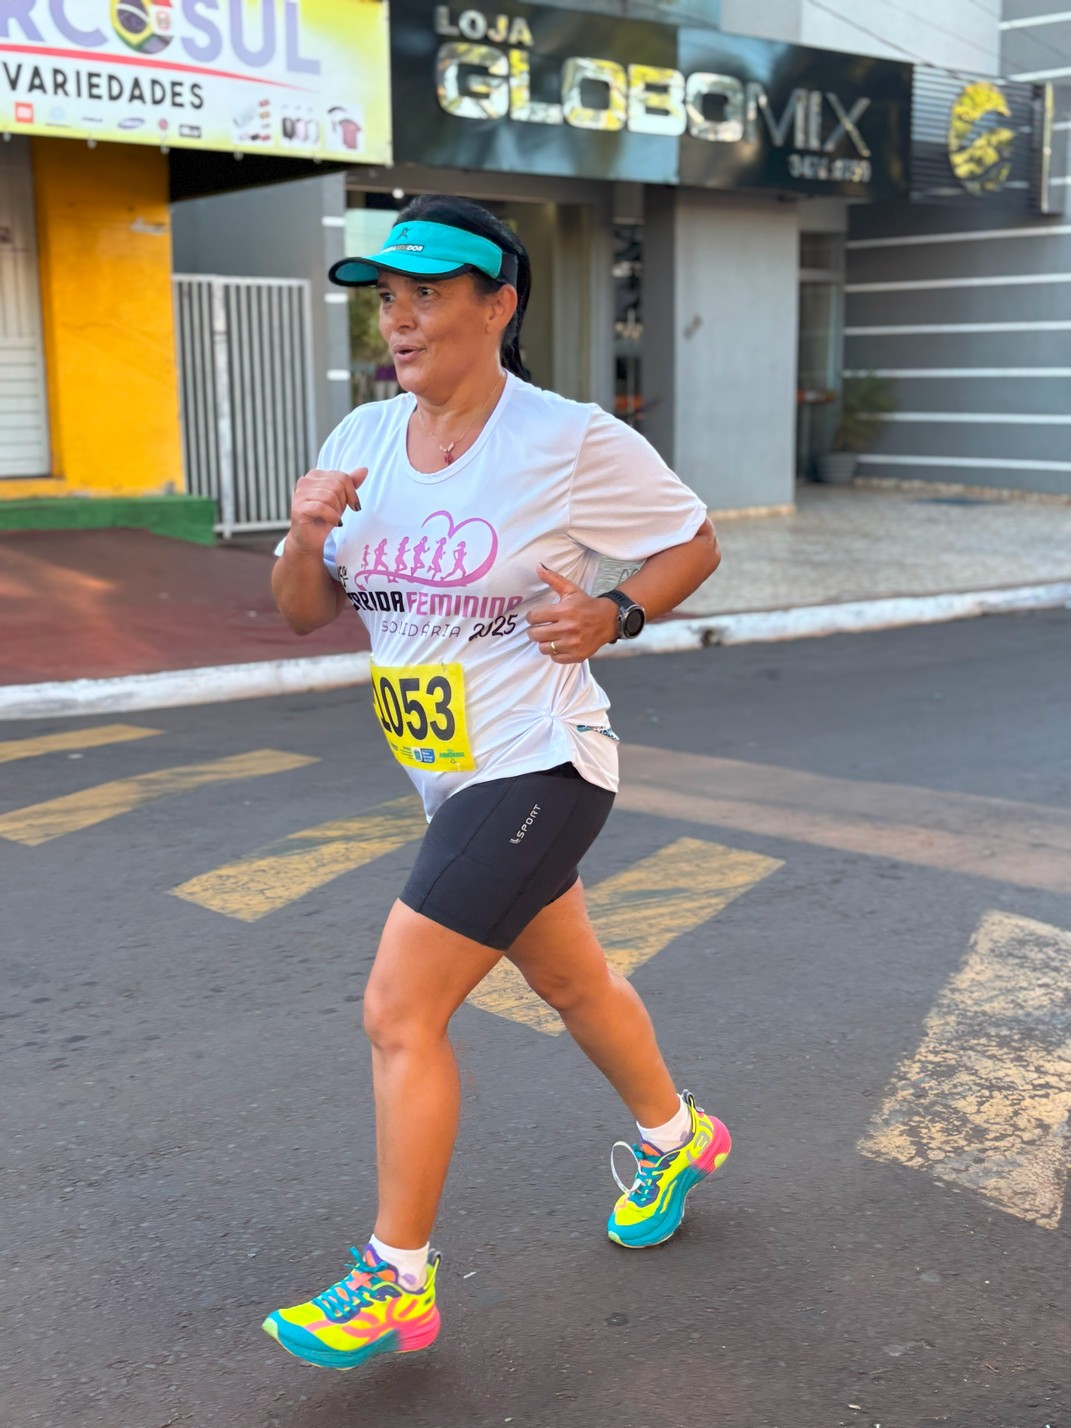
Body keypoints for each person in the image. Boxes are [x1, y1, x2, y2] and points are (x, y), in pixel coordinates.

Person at [263, 194, 729, 1373]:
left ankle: (397, 1280)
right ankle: (677, 1137)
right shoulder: (361, 443)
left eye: (427, 294)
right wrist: (304, 536)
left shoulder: (564, 439)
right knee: (576, 985)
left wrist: (615, 611)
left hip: (543, 764)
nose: (402, 320)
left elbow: (693, 539)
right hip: (443, 777)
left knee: (398, 1010)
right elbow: (302, 615)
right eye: (387, 298)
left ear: (498, 303)